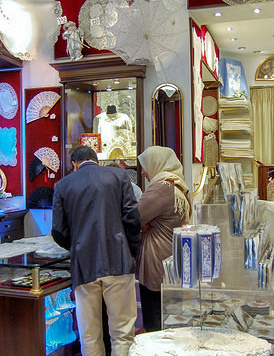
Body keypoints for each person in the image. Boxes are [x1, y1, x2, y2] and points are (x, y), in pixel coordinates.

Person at [52, 145, 141, 356]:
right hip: (118, 260)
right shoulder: (119, 177)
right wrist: (131, 249)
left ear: (74, 164)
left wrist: (77, 246)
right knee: (122, 332)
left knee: (89, 334)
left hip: (84, 265)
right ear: (96, 159)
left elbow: (58, 230)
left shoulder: (62, 185)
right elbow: (133, 218)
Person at [136, 146, 191, 332]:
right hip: (171, 259)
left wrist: (141, 225)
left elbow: (133, 218)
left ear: (156, 164)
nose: (143, 171)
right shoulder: (177, 185)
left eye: (145, 166)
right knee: (171, 320)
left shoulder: (161, 188)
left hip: (157, 263)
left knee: (155, 322)